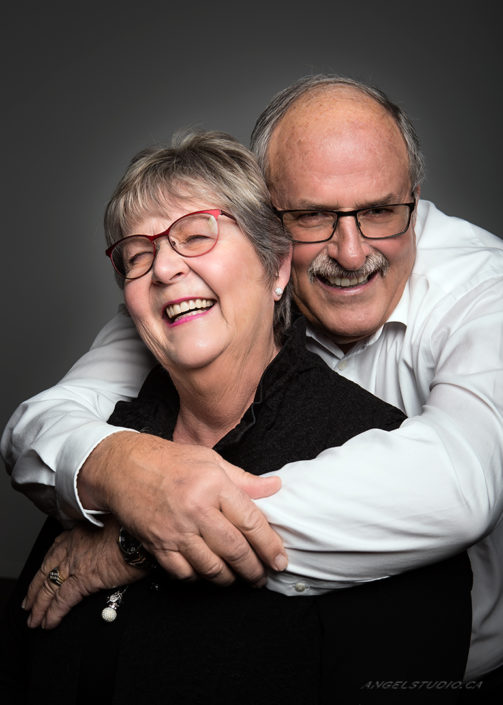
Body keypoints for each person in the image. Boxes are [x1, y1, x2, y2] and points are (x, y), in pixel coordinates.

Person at [2, 75, 503, 690]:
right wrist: (114, 467)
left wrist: (138, 542)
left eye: (379, 210)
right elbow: (42, 425)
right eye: (314, 215)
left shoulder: (484, 293)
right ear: (276, 226)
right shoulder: (181, 299)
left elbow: (460, 485)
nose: (350, 252)